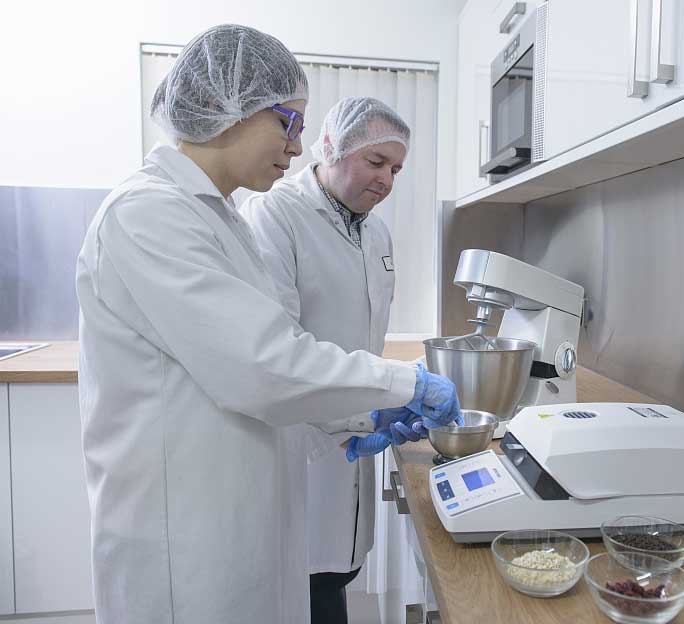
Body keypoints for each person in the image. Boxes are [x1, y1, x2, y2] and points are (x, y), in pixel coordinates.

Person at [75, 24, 460, 624]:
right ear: (223, 105)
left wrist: (357, 417)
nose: (299, 147)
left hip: (237, 519)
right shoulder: (147, 214)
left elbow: (260, 365)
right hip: (185, 544)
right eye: (289, 123)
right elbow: (264, 364)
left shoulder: (220, 220)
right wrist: (405, 383)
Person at [242, 96, 417, 623]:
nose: (386, 180)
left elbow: (362, 335)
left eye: (396, 169)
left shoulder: (376, 230)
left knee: (334, 576)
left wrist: (373, 405)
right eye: (376, 162)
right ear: (330, 148)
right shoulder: (276, 215)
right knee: (302, 585)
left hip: (351, 438)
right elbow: (280, 352)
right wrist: (375, 400)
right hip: (300, 441)